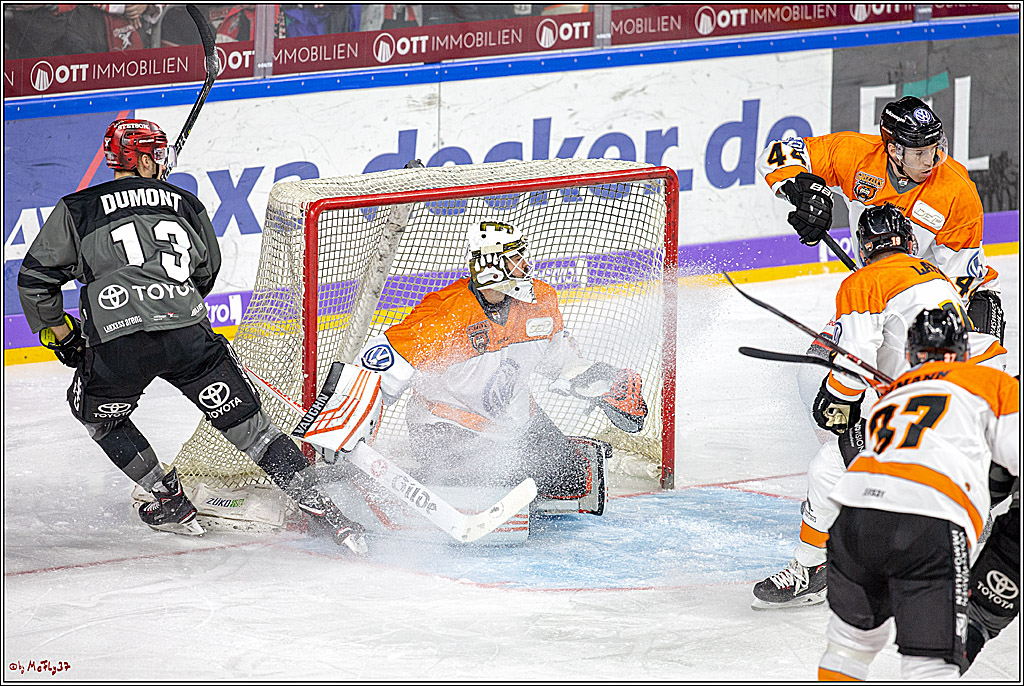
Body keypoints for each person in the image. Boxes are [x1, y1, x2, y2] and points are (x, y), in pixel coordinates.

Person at [16, 119, 366, 554]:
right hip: (188, 337)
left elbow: (34, 280)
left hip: (119, 345)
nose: (162, 163)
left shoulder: (77, 207)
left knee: (97, 416)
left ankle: (168, 499)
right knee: (254, 432)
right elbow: (206, 271)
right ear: (143, 160)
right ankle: (330, 517)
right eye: (157, 156)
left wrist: (64, 336)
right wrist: (170, 304)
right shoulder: (185, 203)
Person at [751, 204, 1006, 609]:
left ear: (865, 248)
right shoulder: (936, 276)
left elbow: (853, 362)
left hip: (927, 410)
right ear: (908, 242)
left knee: (828, 466)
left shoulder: (864, 284)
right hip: (976, 402)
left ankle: (813, 566)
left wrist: (836, 401)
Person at [355, 220, 648, 515]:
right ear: (490, 266)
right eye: (515, 258)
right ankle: (434, 482)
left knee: (570, 480)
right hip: (445, 427)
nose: (525, 265)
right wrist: (348, 428)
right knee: (500, 478)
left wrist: (598, 381)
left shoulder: (540, 300)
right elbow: (380, 368)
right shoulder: (446, 313)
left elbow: (559, 360)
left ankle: (558, 453)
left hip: (515, 419)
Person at [816, 308, 1018, 680]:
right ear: (963, 350)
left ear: (910, 353)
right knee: (931, 665)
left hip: (855, 520)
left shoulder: (894, 392)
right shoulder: (991, 382)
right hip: (928, 522)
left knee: (848, 649)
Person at [757, 95, 1005, 343]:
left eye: (934, 149)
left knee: (961, 367)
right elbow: (778, 153)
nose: (930, 161)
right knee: (826, 364)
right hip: (881, 291)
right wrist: (801, 192)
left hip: (960, 298)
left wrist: (910, 327)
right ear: (894, 150)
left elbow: (959, 282)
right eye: (919, 152)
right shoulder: (855, 155)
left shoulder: (957, 190)